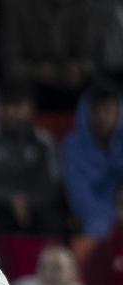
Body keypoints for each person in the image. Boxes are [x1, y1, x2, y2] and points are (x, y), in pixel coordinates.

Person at [0, 81, 63, 235]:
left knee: (54, 219)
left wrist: (26, 200)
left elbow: (53, 188)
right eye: (5, 105)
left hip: (35, 206)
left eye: (17, 106)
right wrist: (9, 198)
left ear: (30, 108)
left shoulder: (43, 140)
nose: (11, 112)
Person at [62, 80, 123, 238]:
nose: (105, 116)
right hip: (92, 218)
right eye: (99, 110)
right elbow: (79, 196)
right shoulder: (72, 146)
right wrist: (114, 216)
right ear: (87, 112)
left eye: (110, 109)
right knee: (98, 226)